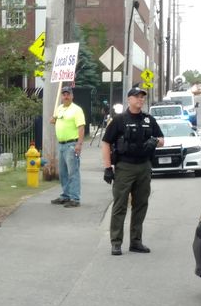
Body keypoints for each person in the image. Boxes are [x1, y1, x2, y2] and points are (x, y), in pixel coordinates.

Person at [101, 87, 164, 256]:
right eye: (137, 97)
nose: (140, 100)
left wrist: (154, 142)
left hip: (144, 166)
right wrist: (108, 168)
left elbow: (162, 139)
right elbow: (106, 143)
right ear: (129, 99)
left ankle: (136, 241)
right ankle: (116, 242)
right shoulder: (119, 120)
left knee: (141, 204)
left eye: (142, 97)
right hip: (125, 167)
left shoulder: (149, 120)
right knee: (120, 204)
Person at [49, 86, 86, 208]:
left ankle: (75, 198)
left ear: (72, 96)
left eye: (68, 94)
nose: (66, 96)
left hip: (71, 145)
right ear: (61, 96)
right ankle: (66, 195)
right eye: (64, 94)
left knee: (73, 172)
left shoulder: (77, 110)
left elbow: (81, 127)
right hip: (61, 144)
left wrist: (79, 144)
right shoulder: (59, 108)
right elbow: (55, 120)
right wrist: (53, 120)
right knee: (63, 172)